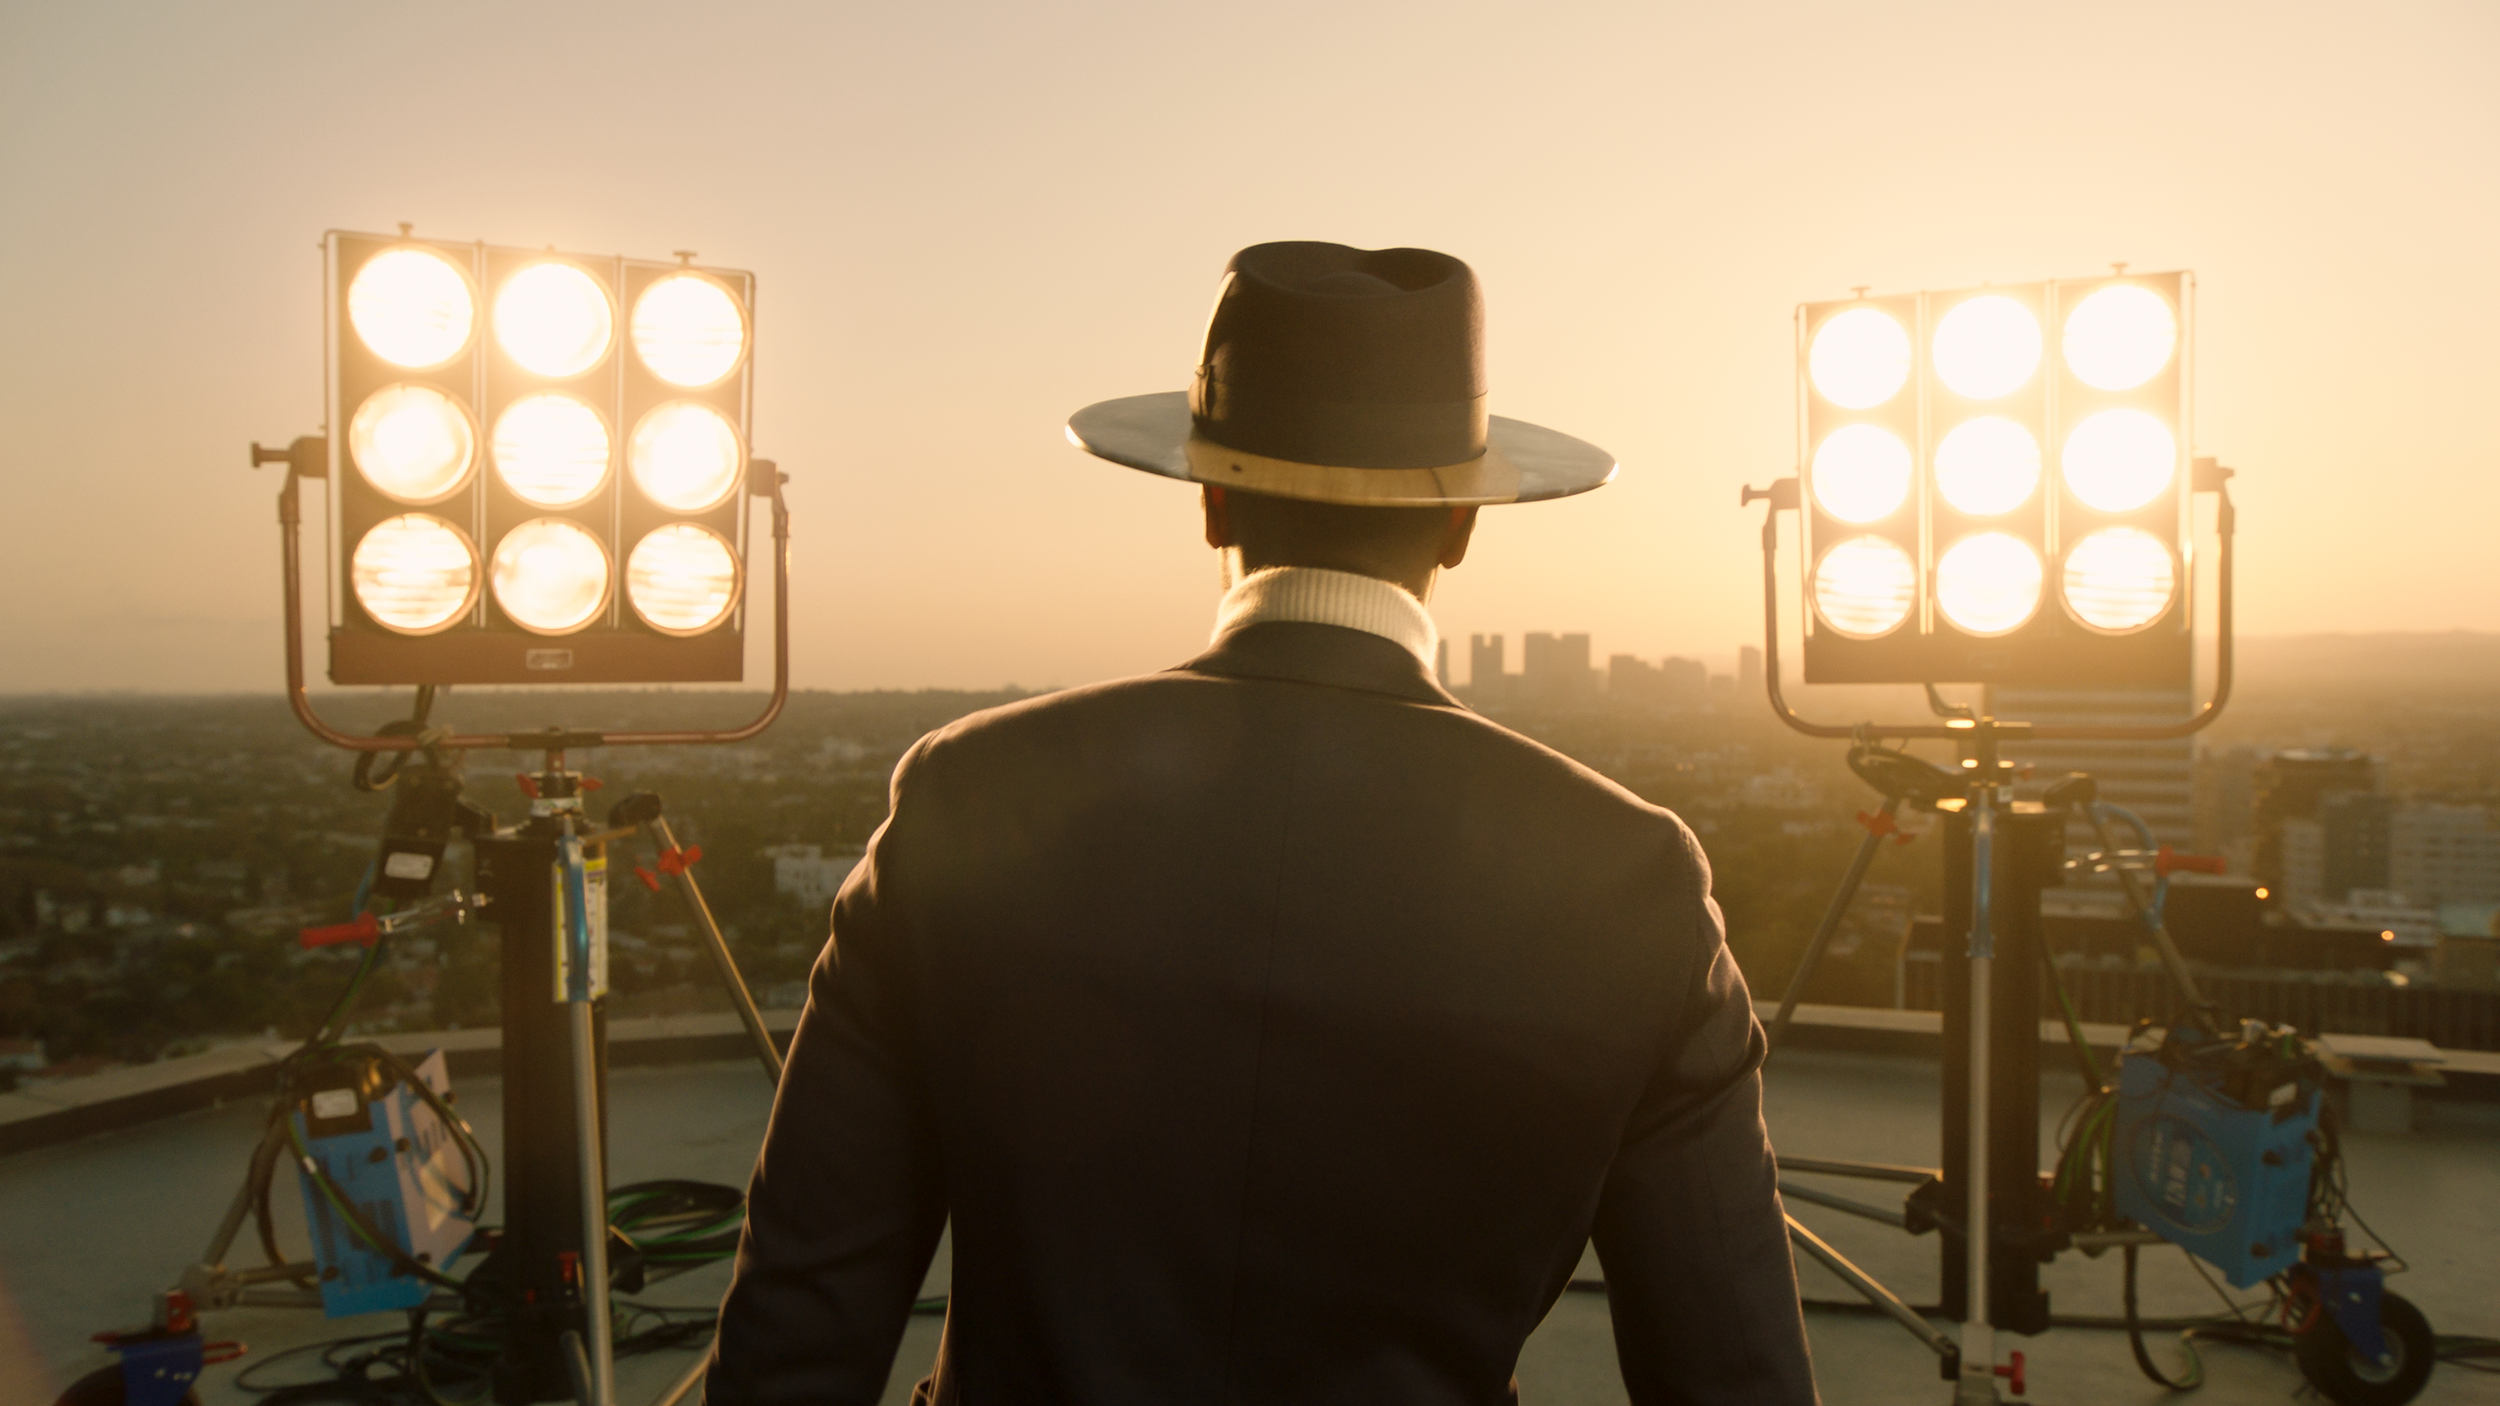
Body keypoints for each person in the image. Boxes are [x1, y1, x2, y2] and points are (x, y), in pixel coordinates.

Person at [707, 242, 1818, 1405]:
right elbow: (1735, 1376)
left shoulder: (970, 794)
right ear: (1461, 525)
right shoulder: (1625, 876)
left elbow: (801, 1327)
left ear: (1209, 497)